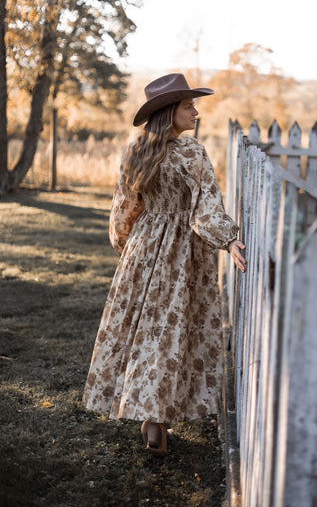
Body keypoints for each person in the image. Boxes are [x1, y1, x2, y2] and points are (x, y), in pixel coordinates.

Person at [82, 72, 246, 455]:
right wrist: (230, 238)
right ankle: (157, 418)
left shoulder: (136, 151)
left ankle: (152, 417)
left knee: (145, 332)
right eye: (189, 106)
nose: (196, 113)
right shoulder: (193, 153)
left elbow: (124, 210)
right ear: (169, 111)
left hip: (143, 251)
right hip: (183, 256)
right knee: (170, 335)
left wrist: (128, 249)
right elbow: (205, 210)